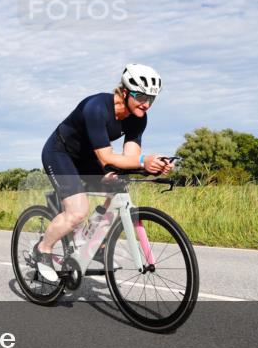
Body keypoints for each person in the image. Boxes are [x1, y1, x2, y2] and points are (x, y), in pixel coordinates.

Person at [35, 64, 173, 282]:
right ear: (125, 92)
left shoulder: (138, 117)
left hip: (88, 156)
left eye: (151, 99)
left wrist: (152, 166)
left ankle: (93, 243)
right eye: (141, 97)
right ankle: (43, 249)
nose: (146, 104)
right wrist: (142, 161)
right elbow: (107, 158)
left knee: (117, 185)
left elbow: (130, 158)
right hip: (60, 152)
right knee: (78, 211)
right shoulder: (97, 108)